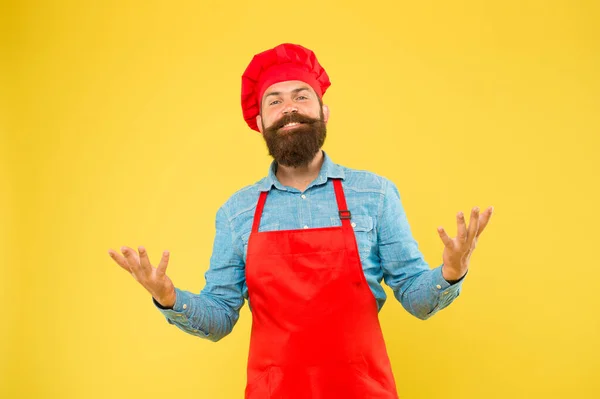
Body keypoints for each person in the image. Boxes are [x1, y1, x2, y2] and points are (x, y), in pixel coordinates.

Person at [108, 43, 494, 398]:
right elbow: (221, 316)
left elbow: (416, 297)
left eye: (301, 96)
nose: (289, 108)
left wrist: (450, 272)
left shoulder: (374, 194)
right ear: (259, 122)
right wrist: (169, 298)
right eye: (274, 101)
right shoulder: (237, 212)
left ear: (323, 112)